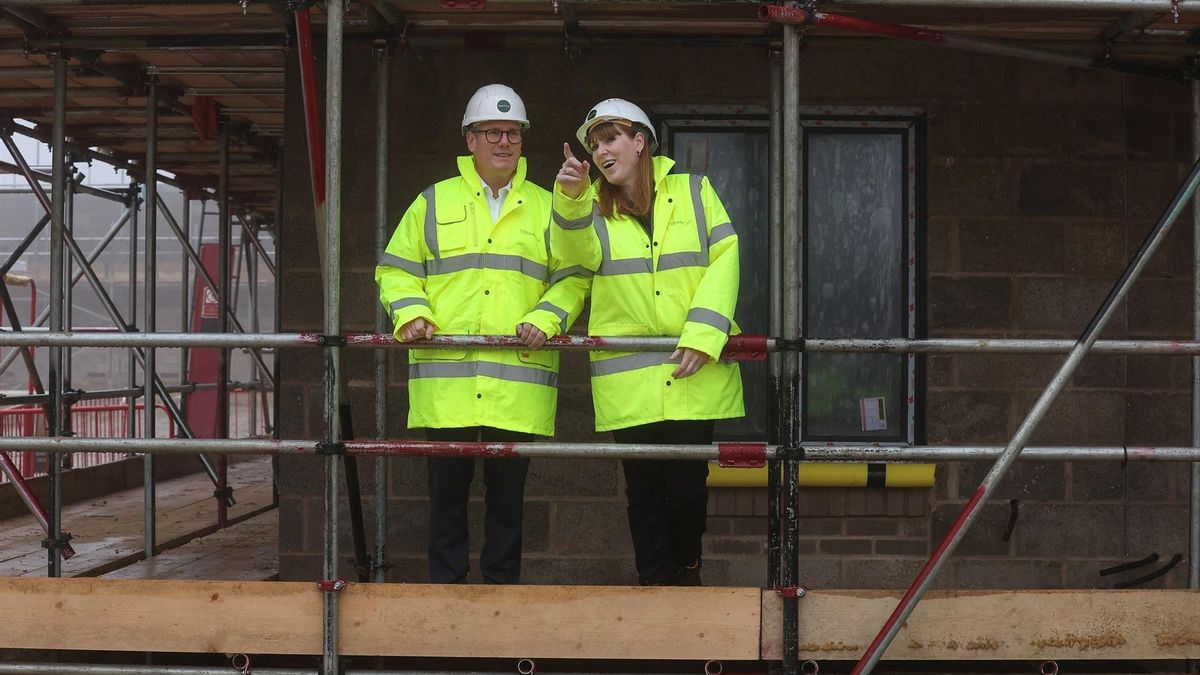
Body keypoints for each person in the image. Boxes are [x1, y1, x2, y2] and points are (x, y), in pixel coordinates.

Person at [375, 84, 588, 584]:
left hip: (516, 385)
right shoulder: (432, 201)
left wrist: (548, 318)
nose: (504, 141)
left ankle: (500, 602)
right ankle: (447, 602)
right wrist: (410, 314)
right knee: (445, 505)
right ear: (470, 140)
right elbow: (396, 270)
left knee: (508, 508)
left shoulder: (547, 205)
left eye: (513, 132)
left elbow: (575, 273)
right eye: (492, 131)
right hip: (447, 385)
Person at [553, 98, 744, 586]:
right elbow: (577, 261)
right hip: (630, 379)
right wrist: (572, 201)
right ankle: (655, 586)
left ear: (640, 141)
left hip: (692, 369)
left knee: (685, 492)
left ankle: (687, 568)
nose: (600, 151)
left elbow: (726, 256)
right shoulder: (590, 205)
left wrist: (703, 334)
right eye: (594, 144)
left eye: (611, 138)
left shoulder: (696, 191)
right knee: (643, 492)